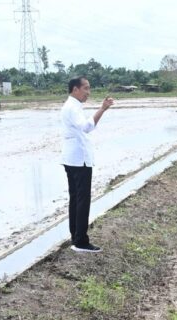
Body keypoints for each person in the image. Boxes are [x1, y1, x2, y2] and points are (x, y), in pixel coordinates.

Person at [60, 77, 114, 253]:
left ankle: (76, 237)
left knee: (76, 198)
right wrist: (102, 109)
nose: (88, 92)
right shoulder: (72, 107)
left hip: (72, 158)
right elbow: (86, 127)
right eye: (86, 88)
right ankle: (81, 241)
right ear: (75, 89)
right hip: (79, 160)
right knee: (82, 199)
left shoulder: (71, 106)